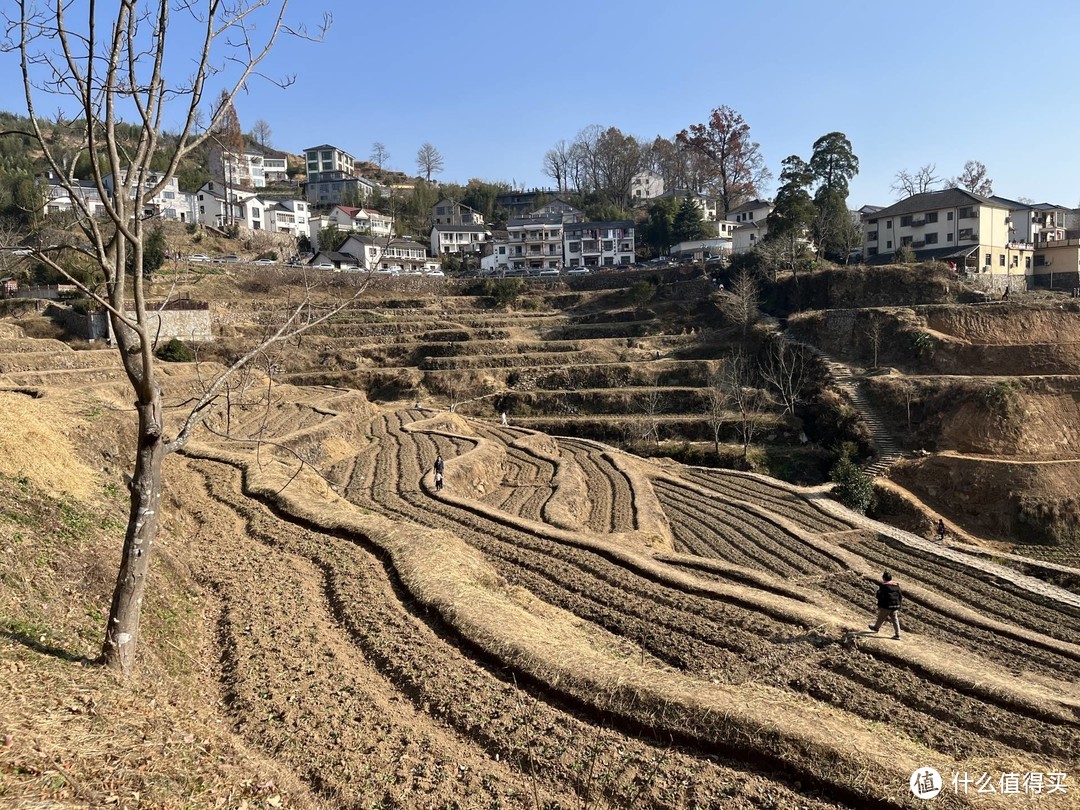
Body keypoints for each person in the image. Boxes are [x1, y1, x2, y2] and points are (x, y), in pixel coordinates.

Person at [868, 572, 902, 639]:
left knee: (881, 617)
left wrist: (879, 604)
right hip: (895, 605)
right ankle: (898, 634)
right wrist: (899, 605)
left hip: (887, 605)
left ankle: (876, 628)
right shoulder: (896, 586)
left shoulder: (883, 586)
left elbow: (880, 596)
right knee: (895, 619)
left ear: (884, 578)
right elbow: (900, 596)